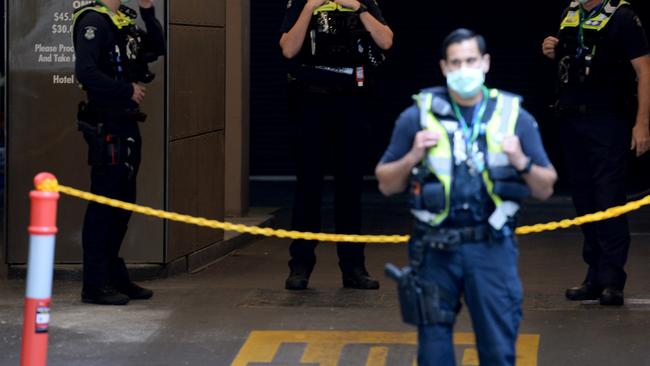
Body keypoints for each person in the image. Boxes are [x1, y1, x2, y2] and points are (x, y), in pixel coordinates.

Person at [378, 29, 557, 365]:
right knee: (433, 353)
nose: (464, 70)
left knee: (497, 350)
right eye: (456, 62)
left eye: (471, 61)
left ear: (485, 63)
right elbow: (386, 183)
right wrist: (412, 155)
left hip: (490, 248)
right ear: (444, 67)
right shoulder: (417, 116)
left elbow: (546, 187)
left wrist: (522, 161)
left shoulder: (513, 116)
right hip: (434, 249)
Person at [279, 0, 393, 290]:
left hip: (352, 104)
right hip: (311, 104)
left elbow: (386, 41)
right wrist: (309, 8)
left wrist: (358, 8)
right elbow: (289, 49)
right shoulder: (303, 3)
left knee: (350, 190)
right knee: (308, 189)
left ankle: (354, 268)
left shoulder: (361, 2)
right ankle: (300, 266)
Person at [542, 0, 650, 305]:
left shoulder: (624, 16)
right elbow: (572, 58)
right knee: (584, 198)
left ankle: (613, 278)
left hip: (608, 120)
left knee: (608, 197)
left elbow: (645, 72)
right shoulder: (570, 13)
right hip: (572, 117)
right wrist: (553, 49)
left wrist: (642, 124)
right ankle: (594, 273)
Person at [73, 0, 165, 305]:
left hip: (126, 122)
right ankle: (95, 283)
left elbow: (156, 47)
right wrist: (125, 90)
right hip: (106, 121)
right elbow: (85, 72)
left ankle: (114, 274)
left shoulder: (122, 19)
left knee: (124, 203)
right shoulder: (93, 21)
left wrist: (149, 12)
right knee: (104, 204)